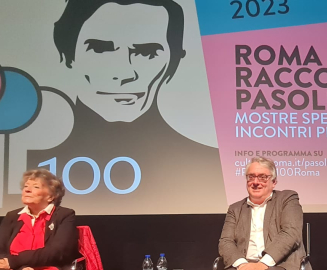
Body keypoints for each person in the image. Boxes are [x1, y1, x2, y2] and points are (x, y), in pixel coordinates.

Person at [28, 0, 225, 211]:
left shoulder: (211, 165)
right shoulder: (25, 161)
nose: (123, 74)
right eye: (100, 49)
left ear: (174, 61)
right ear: (67, 55)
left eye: (147, 53)